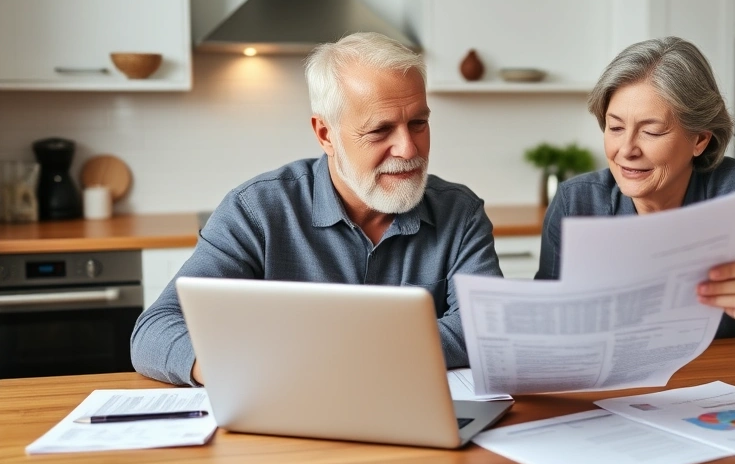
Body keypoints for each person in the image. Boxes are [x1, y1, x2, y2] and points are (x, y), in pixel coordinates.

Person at [131, 32, 502, 386]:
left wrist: (329, 350)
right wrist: (235, 366)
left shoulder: (460, 212)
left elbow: (487, 329)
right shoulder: (257, 210)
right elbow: (155, 330)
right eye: (379, 131)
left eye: (418, 123)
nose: (408, 149)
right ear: (326, 134)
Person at [536, 37, 735, 372]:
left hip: (716, 400)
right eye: (615, 128)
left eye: (651, 132)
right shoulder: (576, 202)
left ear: (700, 139)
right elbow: (540, 327)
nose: (626, 149)